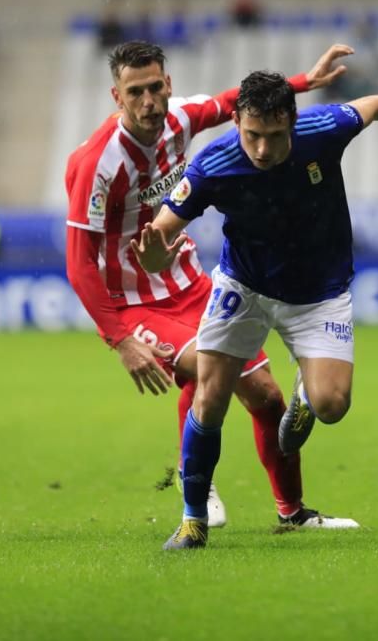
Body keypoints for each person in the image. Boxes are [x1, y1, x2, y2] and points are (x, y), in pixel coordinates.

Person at [133, 65, 378, 550]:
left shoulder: (323, 129)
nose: (262, 149)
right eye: (251, 135)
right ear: (238, 122)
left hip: (319, 293)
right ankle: (192, 521)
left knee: (332, 405)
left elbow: (375, 105)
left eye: (274, 135)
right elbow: (163, 234)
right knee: (210, 396)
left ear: (292, 121)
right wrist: (154, 252)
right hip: (244, 287)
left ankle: (306, 394)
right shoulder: (212, 165)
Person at [64, 40, 358, 532]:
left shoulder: (180, 118)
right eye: (135, 92)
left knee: (266, 396)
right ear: (117, 96)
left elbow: (232, 103)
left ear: (169, 84)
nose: (149, 101)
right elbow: (79, 265)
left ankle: (293, 513)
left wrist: (303, 82)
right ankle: (191, 478)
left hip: (189, 283)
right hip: (134, 301)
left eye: (156, 87)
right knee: (209, 372)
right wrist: (119, 339)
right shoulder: (97, 164)